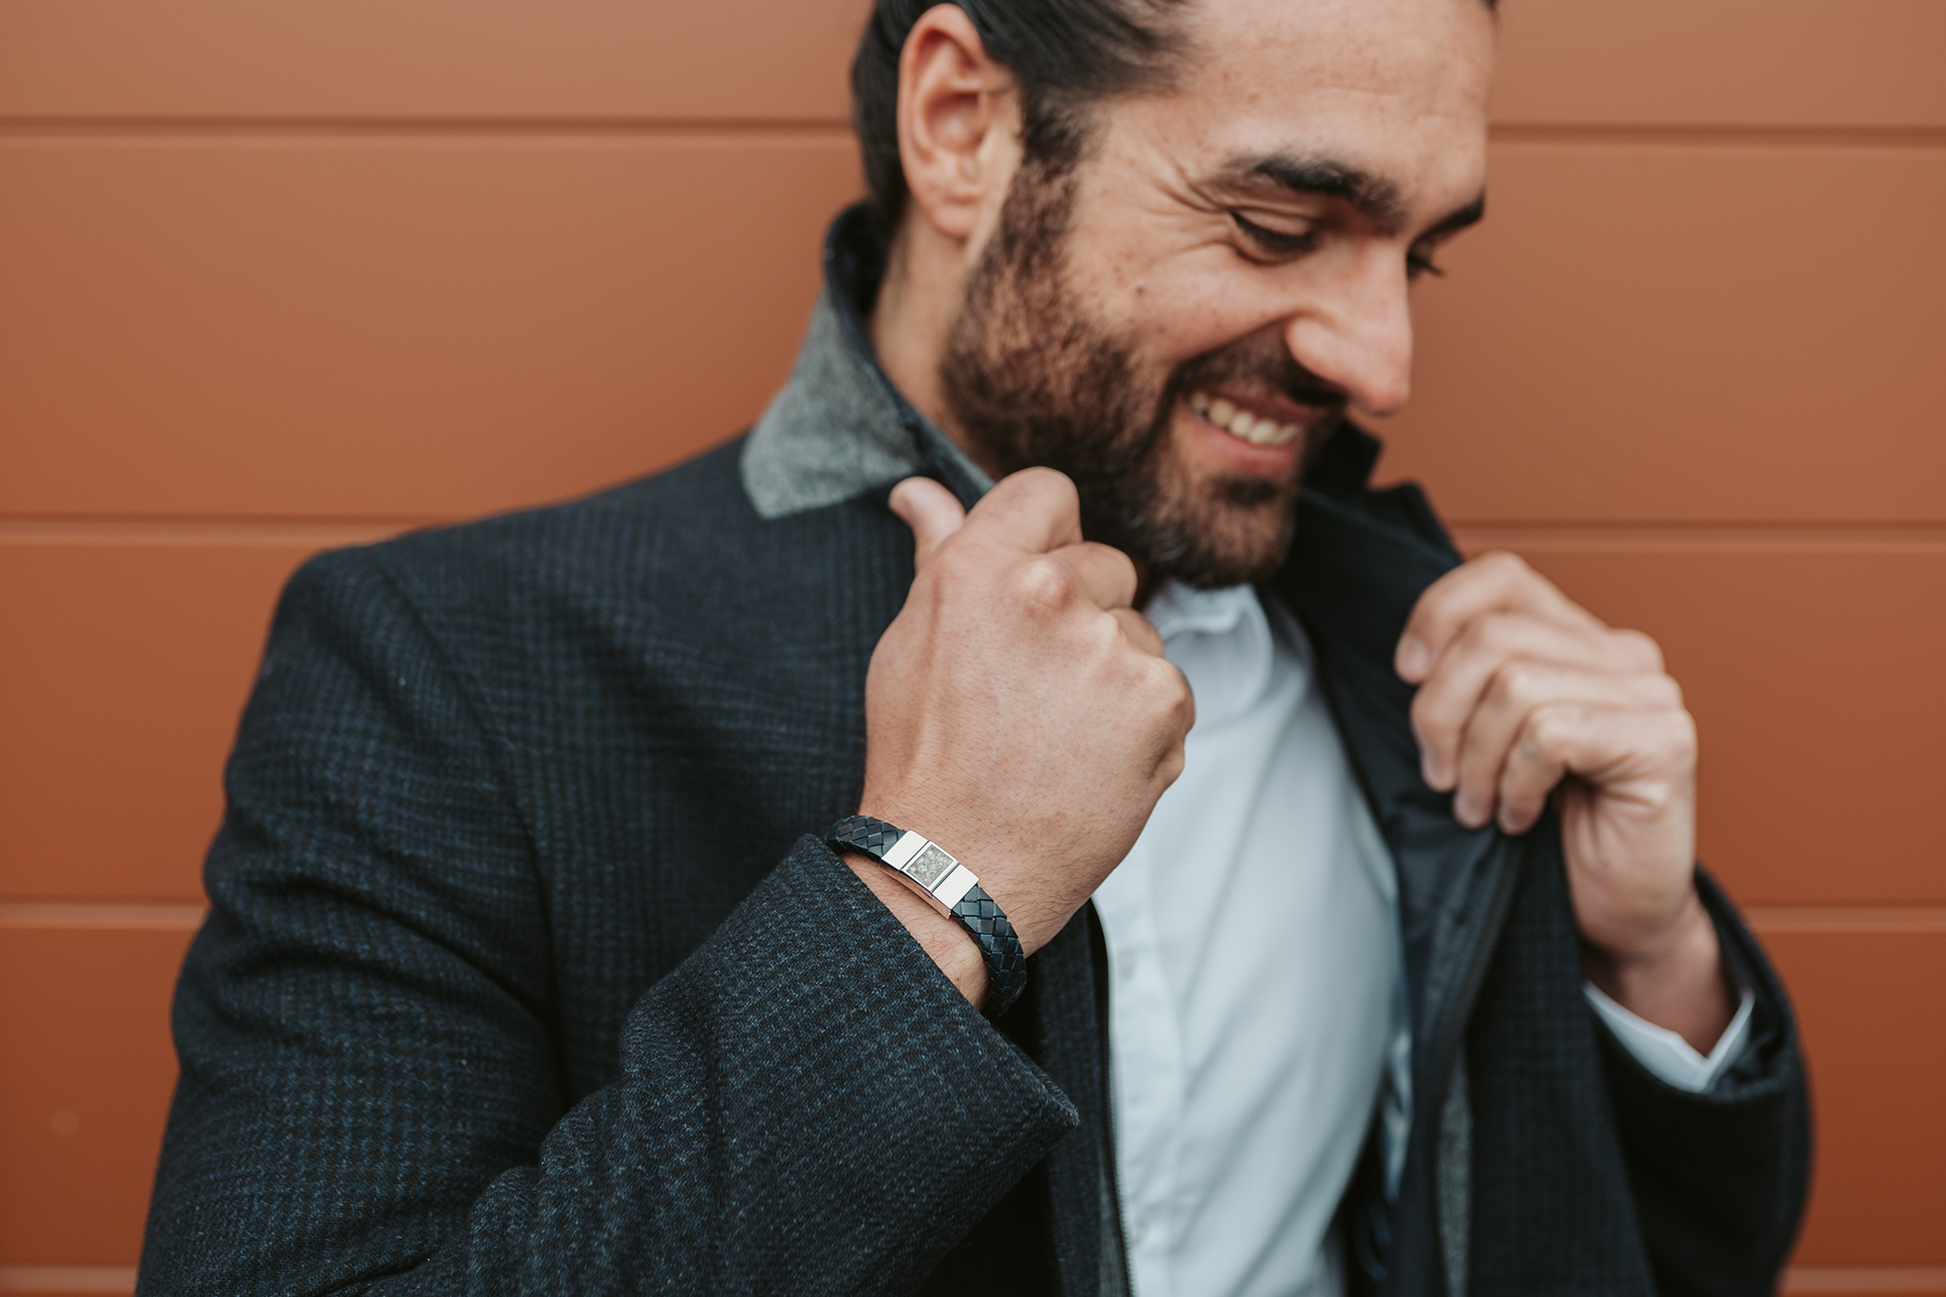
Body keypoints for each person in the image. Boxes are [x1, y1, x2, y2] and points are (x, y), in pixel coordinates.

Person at [138, 0, 1809, 1293]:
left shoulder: (1422, 664)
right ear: (964, 125)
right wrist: (931, 890)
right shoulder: (454, 670)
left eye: (1421, 255)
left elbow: (1674, 1259)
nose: (1381, 363)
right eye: (1282, 223)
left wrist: (1649, 967)